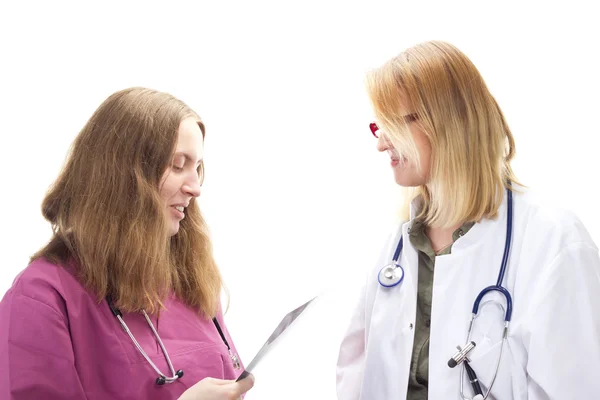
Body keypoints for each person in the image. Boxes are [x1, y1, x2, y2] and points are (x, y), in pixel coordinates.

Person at [336, 41, 600, 399]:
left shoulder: (554, 241)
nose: (381, 144)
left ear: (446, 121)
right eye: (377, 127)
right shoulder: (396, 248)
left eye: (392, 125)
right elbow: (356, 377)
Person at [0, 87, 255, 400]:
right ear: (123, 177)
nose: (195, 188)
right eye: (178, 165)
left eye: (197, 168)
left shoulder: (191, 282)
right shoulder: (44, 298)